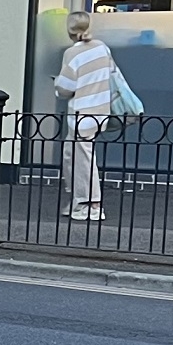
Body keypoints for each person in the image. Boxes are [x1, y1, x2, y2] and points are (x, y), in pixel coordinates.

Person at [52, 15, 125, 221]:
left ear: (69, 30)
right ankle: (78, 199)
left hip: (82, 113)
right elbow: (110, 73)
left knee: (82, 159)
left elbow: (66, 87)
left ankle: (90, 203)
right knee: (72, 155)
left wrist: (57, 82)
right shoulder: (102, 48)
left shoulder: (72, 53)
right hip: (101, 109)